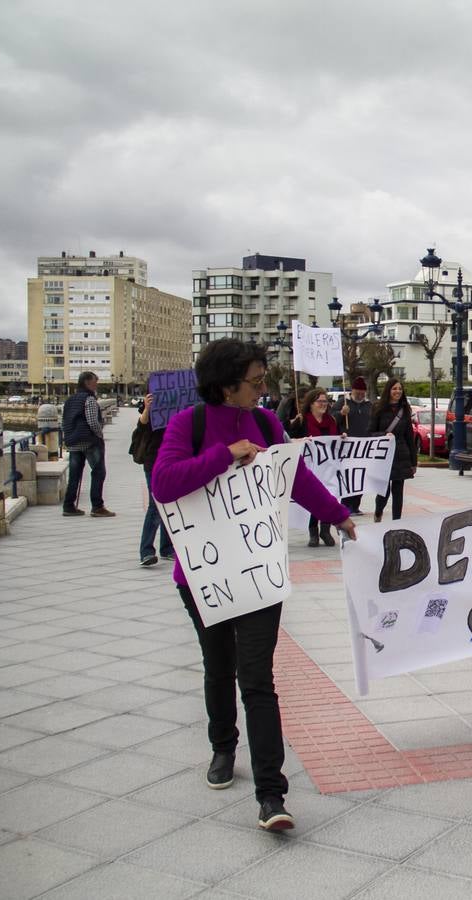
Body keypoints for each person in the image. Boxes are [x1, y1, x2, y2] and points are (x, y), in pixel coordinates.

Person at [151, 339, 356, 832]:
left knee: (258, 678)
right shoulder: (190, 425)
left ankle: (272, 794)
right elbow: (163, 483)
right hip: (203, 576)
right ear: (226, 385)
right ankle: (223, 746)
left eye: (265, 380)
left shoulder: (267, 423)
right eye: (256, 381)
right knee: (218, 668)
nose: (264, 389)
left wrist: (340, 516)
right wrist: (224, 455)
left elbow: (297, 479)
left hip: (259, 572)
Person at [288, 387, 341, 547]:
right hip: (309, 467)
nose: (323, 404)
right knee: (313, 497)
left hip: (328, 468)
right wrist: (299, 439)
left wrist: (342, 438)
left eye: (325, 401)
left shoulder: (331, 421)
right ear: (311, 404)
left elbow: (336, 439)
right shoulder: (302, 420)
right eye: (320, 401)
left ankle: (325, 529)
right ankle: (313, 532)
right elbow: (289, 439)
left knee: (329, 495)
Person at [62, 371, 114, 518]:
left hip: (73, 442)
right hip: (89, 441)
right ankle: (97, 506)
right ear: (87, 382)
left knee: (74, 475)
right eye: (94, 381)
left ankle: (68, 506)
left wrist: (68, 437)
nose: (96, 384)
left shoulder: (69, 400)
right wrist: (100, 435)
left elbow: (64, 421)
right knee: (98, 472)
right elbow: (92, 421)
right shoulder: (89, 399)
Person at [130, 394, 174, 567]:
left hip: (171, 461)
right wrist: (148, 408)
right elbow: (141, 426)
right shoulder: (149, 412)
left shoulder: (176, 412)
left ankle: (167, 547)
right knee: (155, 506)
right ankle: (146, 551)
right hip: (153, 462)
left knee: (169, 504)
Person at [371, 377, 417, 523]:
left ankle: (397, 521)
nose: (397, 391)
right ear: (388, 390)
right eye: (394, 388)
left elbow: (410, 436)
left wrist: (413, 462)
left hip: (401, 454)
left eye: (400, 389)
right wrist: (384, 435)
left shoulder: (405, 409)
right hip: (383, 455)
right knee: (383, 491)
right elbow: (370, 432)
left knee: (398, 491)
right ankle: (378, 512)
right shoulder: (378, 408)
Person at [339, 376, 373, 516]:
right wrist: (341, 413)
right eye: (357, 391)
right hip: (347, 448)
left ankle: (356, 505)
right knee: (348, 477)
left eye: (362, 392)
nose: (360, 394)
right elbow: (331, 419)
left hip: (364, 448)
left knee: (361, 477)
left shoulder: (369, 405)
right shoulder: (343, 402)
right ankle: (345, 505)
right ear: (352, 390)